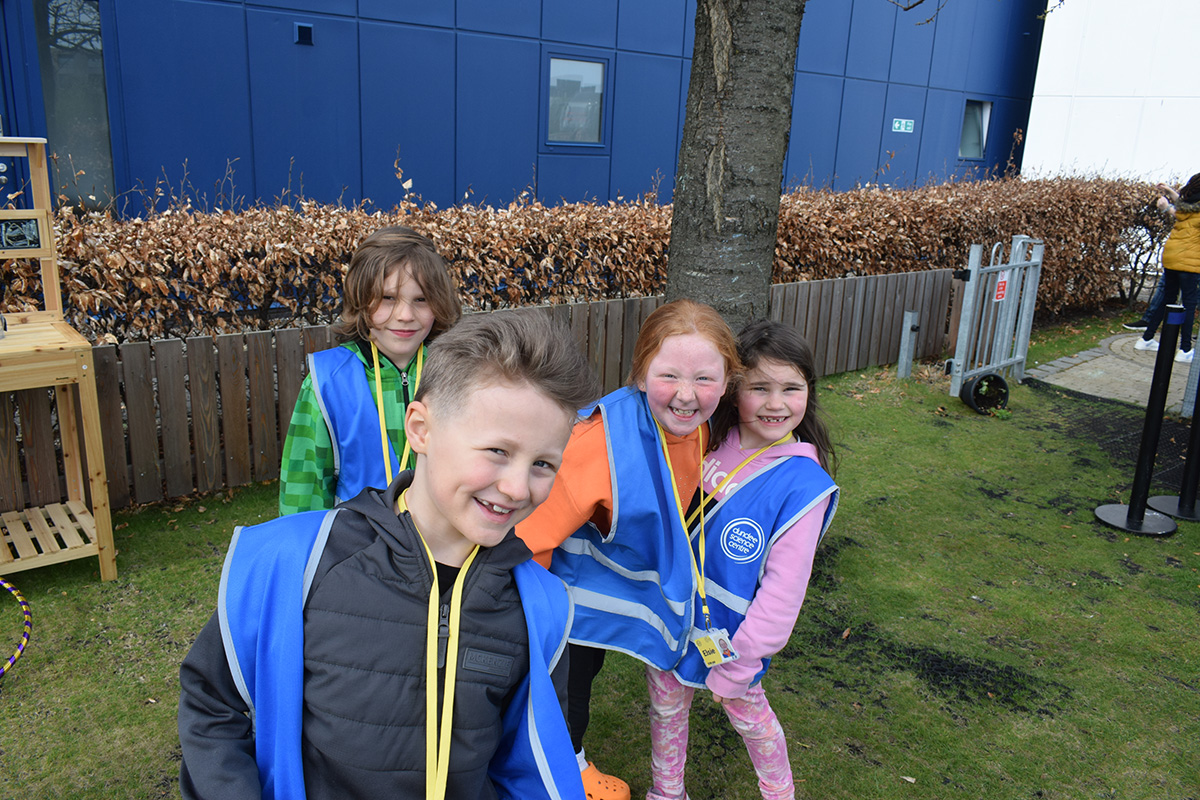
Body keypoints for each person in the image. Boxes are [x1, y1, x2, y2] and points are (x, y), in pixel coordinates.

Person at [178, 310, 599, 800]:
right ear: (420, 429)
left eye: (543, 463)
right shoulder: (295, 562)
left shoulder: (540, 609)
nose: (516, 487)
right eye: (497, 452)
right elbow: (212, 703)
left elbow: (525, 765)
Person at [517, 299, 741, 800]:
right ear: (640, 375)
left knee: (586, 672)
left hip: (610, 587)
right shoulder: (595, 442)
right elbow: (527, 538)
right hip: (563, 596)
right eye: (669, 376)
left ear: (727, 382)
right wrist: (535, 620)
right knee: (568, 681)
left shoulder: (706, 430)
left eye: (705, 379)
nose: (687, 396)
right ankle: (565, 767)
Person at [644, 320, 839, 800]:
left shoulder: (804, 487)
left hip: (735, 642)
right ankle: (667, 792)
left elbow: (783, 592)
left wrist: (742, 661)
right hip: (674, 619)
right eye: (760, 388)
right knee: (666, 710)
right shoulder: (705, 439)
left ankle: (779, 793)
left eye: (791, 388)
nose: (776, 404)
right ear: (735, 389)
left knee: (752, 721)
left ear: (808, 393)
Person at [278, 225, 461, 515]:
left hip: (444, 549)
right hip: (358, 550)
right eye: (388, 298)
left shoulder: (458, 373)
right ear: (361, 299)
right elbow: (303, 492)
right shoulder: (327, 382)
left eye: (421, 300)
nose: (404, 315)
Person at [1134, 173, 1200, 363]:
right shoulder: (1190, 209)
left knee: (1167, 300)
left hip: (1171, 258)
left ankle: (1146, 339)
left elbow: (1179, 209)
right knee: (1188, 305)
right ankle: (1185, 350)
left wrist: (1170, 195)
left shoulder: (1187, 208)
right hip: (1190, 263)